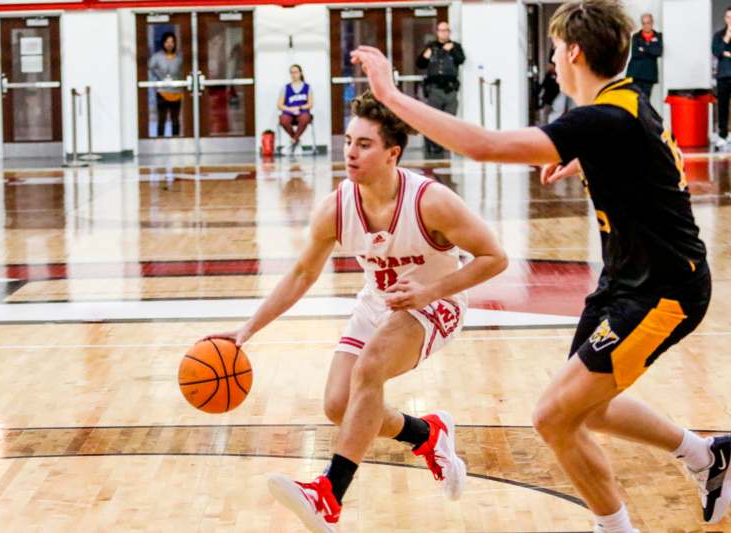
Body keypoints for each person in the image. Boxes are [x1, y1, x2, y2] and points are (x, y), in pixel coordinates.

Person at [352, 0, 730, 530]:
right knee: (586, 408)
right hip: (624, 283)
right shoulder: (624, 104)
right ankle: (707, 455)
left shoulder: (604, 117)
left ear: (574, 50)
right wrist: (587, 160)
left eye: (555, 49)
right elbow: (649, 154)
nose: (553, 60)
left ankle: (617, 524)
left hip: (663, 292)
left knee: (553, 416)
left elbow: (483, 146)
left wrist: (390, 95)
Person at [206, 91, 508, 532]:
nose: (351, 152)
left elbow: (494, 257)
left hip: (437, 302)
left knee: (369, 370)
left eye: (364, 144)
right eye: (349, 141)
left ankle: (328, 494)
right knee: (339, 404)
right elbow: (301, 274)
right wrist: (247, 330)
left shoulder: (430, 201)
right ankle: (427, 435)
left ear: (392, 154)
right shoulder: (336, 207)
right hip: (378, 302)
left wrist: (430, 291)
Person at [416, 21, 465, 156]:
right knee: (433, 120)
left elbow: (461, 60)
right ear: (437, 32)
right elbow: (420, 63)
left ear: (449, 32)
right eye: (441, 30)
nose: (444, 33)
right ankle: (434, 147)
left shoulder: (455, 46)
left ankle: (449, 145)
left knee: (450, 120)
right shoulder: (431, 47)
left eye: (446, 30)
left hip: (450, 89)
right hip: (434, 90)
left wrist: (452, 50)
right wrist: (427, 54)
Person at [148, 32, 183, 137]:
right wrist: (156, 81)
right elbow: (150, 69)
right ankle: (160, 139)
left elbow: (184, 71)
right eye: (167, 42)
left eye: (172, 42)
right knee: (161, 119)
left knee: (175, 119)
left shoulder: (179, 57)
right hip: (162, 92)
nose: (169, 44)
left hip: (177, 92)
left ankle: (176, 139)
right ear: (163, 43)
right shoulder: (157, 57)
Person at [278, 65, 314, 154]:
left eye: (296, 72)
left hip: (302, 111)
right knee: (283, 120)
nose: (294, 74)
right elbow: (279, 104)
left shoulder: (307, 87)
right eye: (292, 72)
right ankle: (296, 141)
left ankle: (293, 141)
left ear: (300, 73)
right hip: (289, 111)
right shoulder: (285, 87)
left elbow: (310, 104)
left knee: (305, 118)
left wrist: (299, 107)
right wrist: (290, 109)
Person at [625, 13, 662, 99]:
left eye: (648, 23)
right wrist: (650, 46)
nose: (646, 26)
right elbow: (635, 53)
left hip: (649, 76)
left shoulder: (658, 36)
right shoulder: (636, 36)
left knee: (645, 101)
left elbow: (658, 52)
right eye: (643, 23)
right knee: (635, 100)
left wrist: (643, 48)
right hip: (635, 74)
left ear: (652, 23)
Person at [712, 6, 731, 149]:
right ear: (725, 19)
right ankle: (722, 135)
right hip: (723, 76)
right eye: (728, 17)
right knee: (722, 107)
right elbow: (717, 51)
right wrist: (727, 38)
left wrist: (726, 53)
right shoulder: (719, 35)